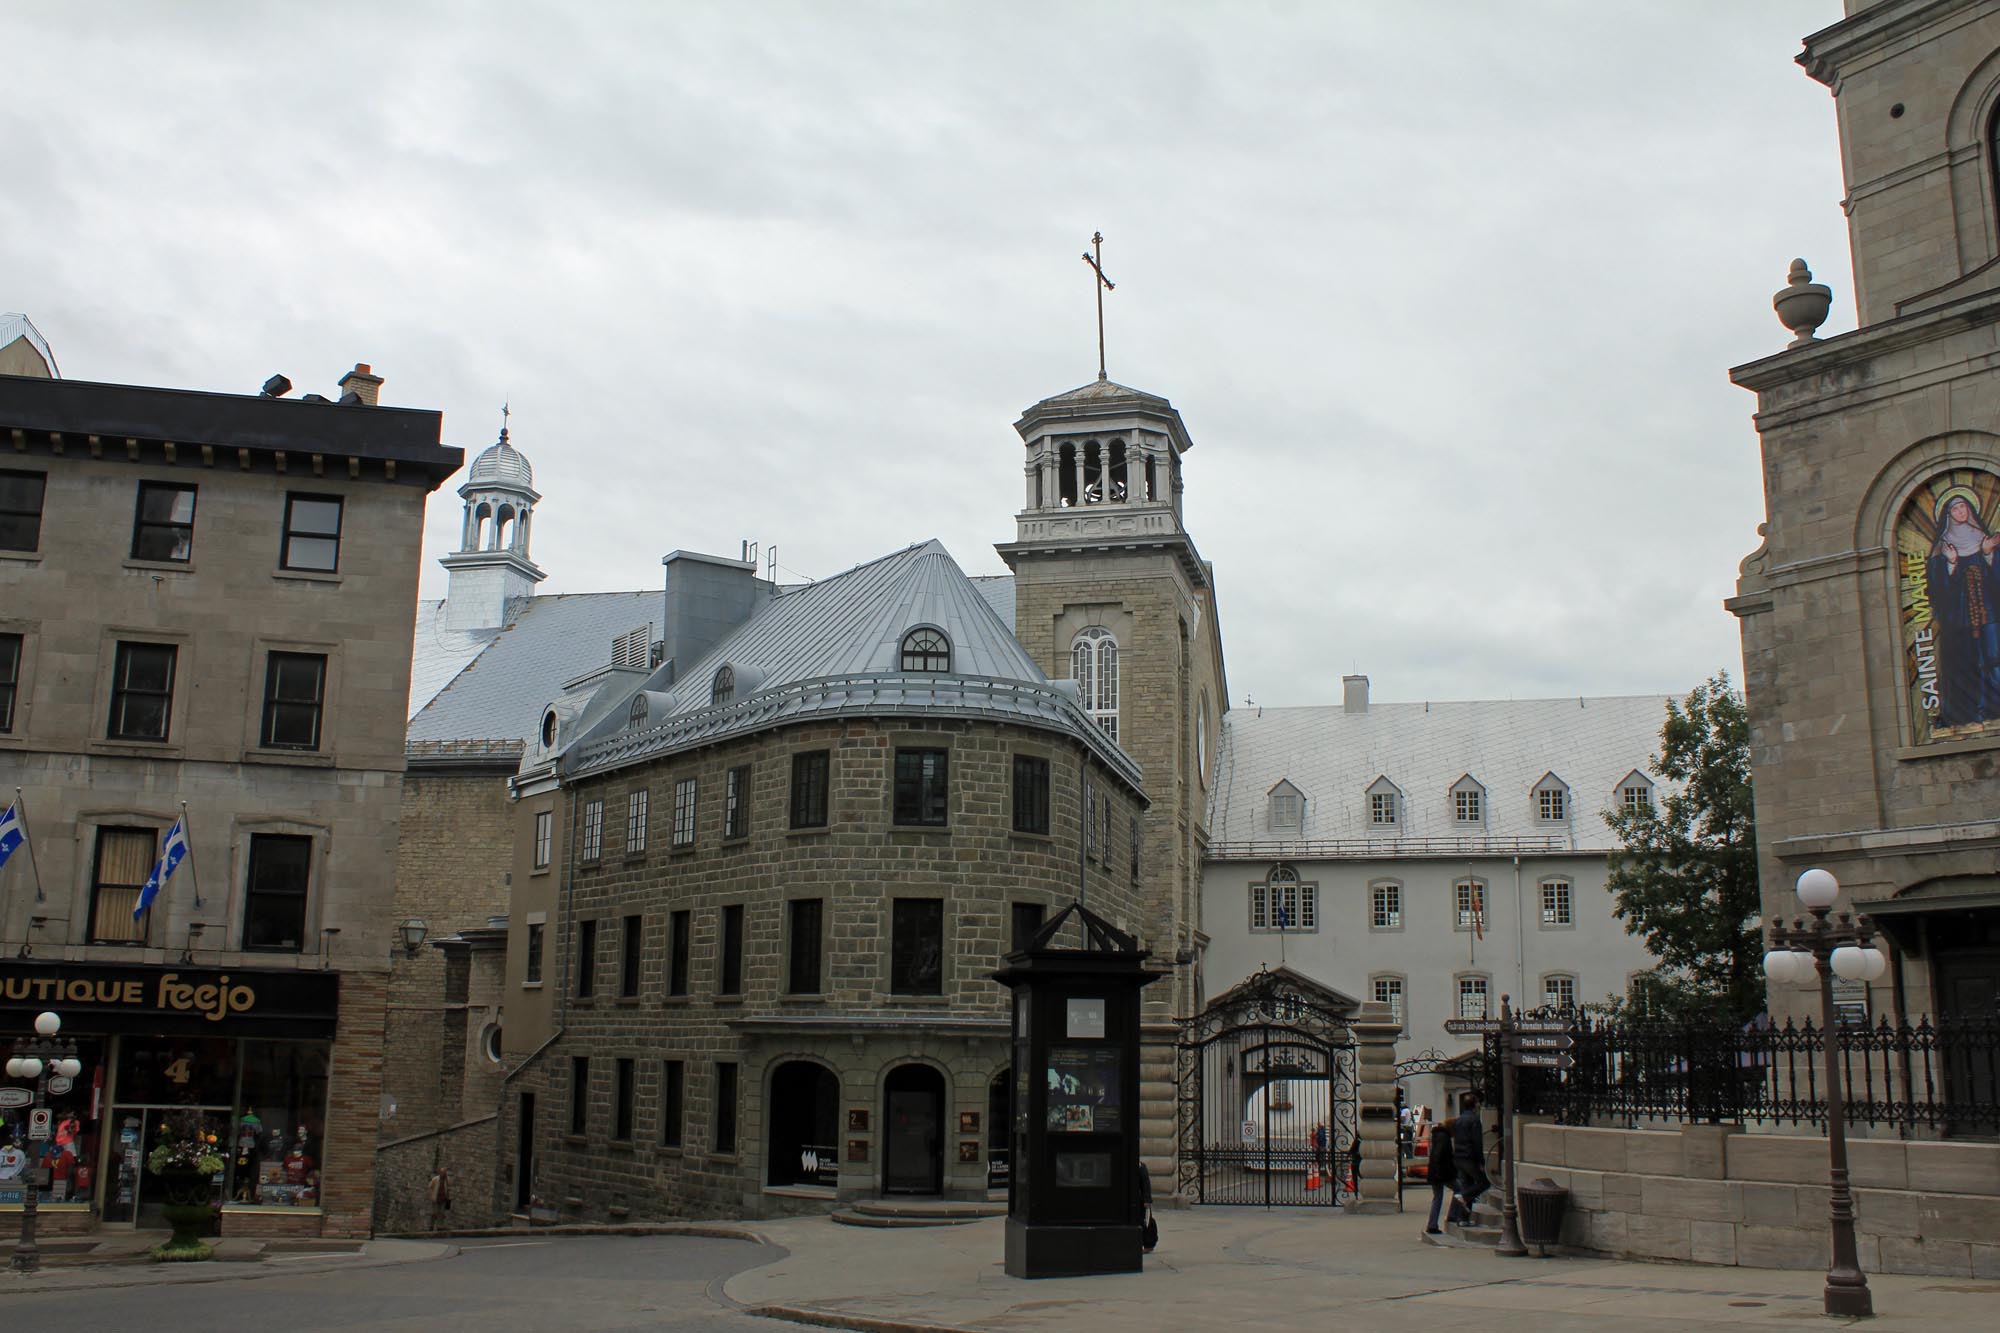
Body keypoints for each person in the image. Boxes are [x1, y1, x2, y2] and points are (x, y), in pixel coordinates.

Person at [1925, 489, 2000, 727]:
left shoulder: (1981, 538)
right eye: (1956, 508)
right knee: (1967, 663)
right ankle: (1970, 712)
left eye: (1963, 507)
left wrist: (1988, 555)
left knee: (1994, 658)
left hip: (1989, 614)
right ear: (1948, 513)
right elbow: (1937, 590)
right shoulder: (1943, 547)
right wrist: (1951, 563)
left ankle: (1994, 707)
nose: (1961, 511)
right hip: (1960, 619)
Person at [1424, 1121, 1467, 1235]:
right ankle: (1452, 1214)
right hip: (1443, 1172)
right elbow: (1440, 1155)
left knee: (1437, 1197)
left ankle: (1432, 1224)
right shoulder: (1444, 1137)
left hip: (1437, 1172)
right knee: (1459, 1189)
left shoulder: (1438, 1135)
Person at [1451, 1092, 1489, 1211]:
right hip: (1469, 1157)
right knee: (1484, 1183)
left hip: (1459, 1157)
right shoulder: (1474, 1120)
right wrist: (1481, 1162)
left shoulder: (1459, 1120)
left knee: (1467, 1184)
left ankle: (1463, 1218)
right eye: (1478, 1103)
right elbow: (1477, 1142)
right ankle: (1463, 1196)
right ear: (1474, 1105)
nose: (1479, 1105)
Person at [1138, 1159, 1157, 1254]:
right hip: (1135, 1201)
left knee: (1143, 1222)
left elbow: (1146, 1184)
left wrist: (1147, 1200)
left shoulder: (1141, 1166)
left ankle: (1148, 1244)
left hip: (1141, 1201)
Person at [427, 1164, 453, 1229]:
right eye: (442, 1172)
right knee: (434, 1213)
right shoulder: (435, 1179)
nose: (443, 1174)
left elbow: (449, 1187)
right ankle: (431, 1225)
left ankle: (439, 1226)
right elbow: (430, 1187)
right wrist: (431, 1195)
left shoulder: (447, 1180)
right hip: (436, 1198)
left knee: (442, 1213)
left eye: (444, 1173)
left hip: (443, 1198)